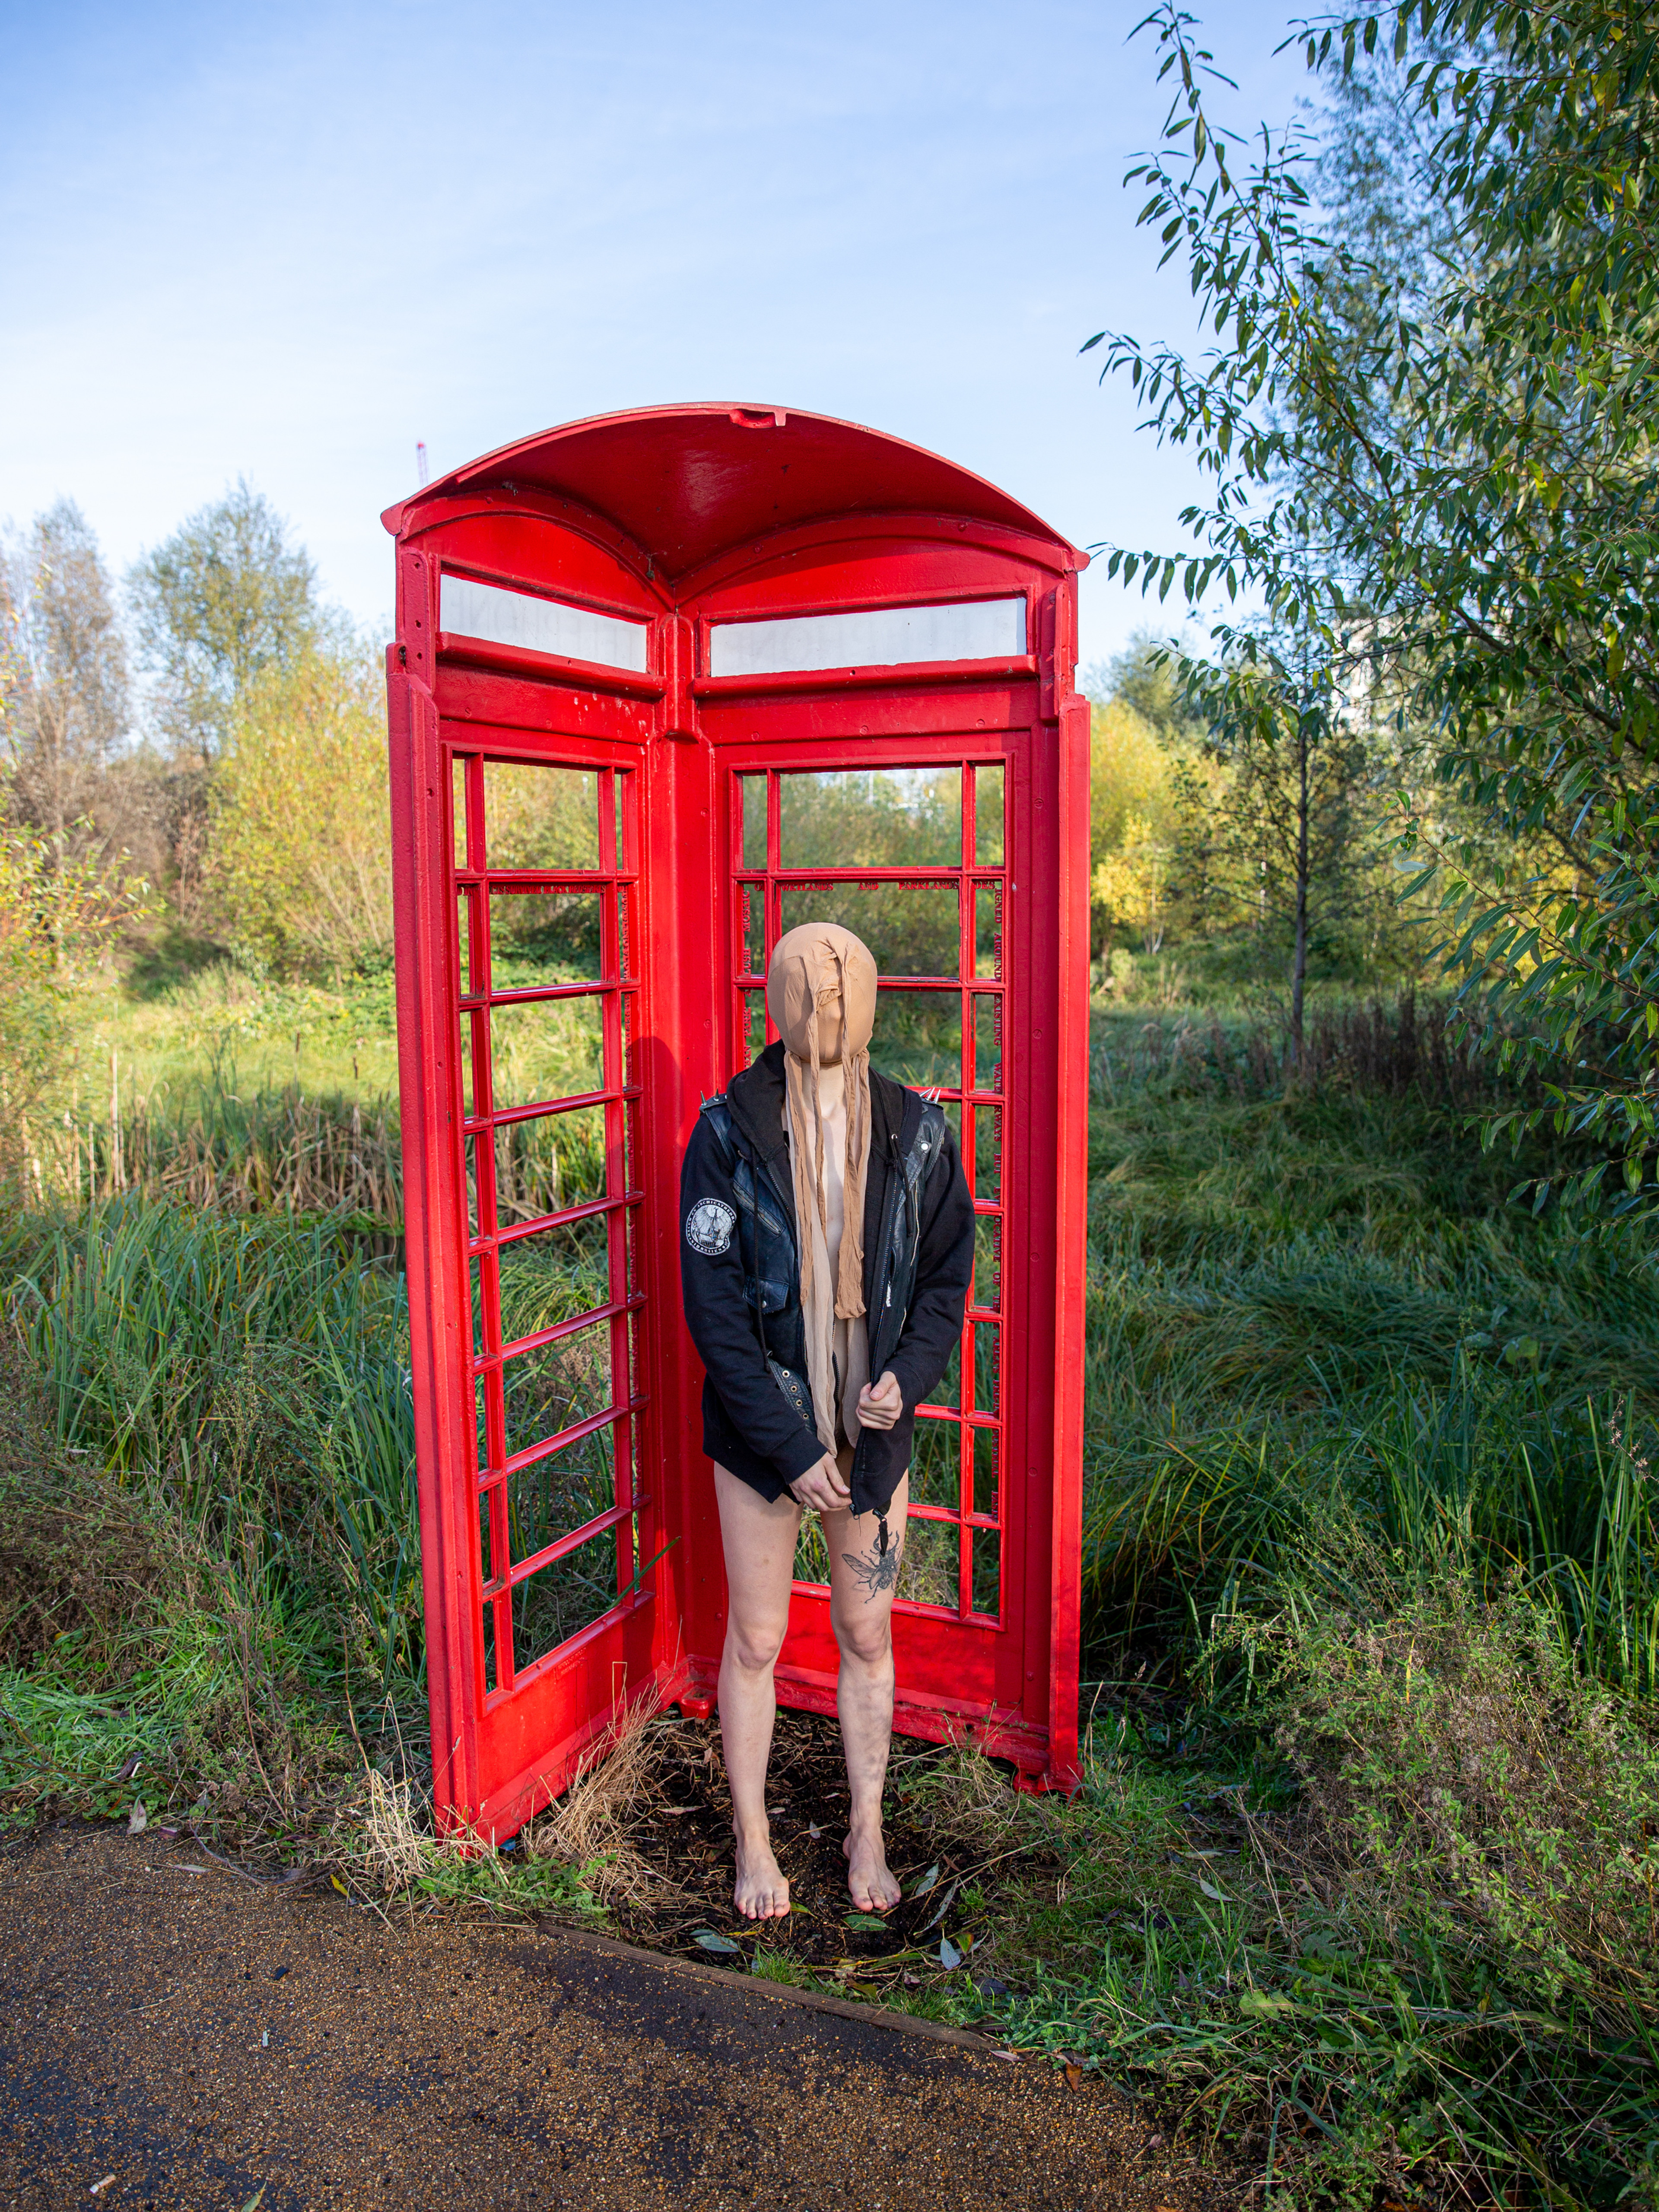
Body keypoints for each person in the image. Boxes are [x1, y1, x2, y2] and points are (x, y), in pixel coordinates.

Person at [679, 922, 974, 1921]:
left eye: (845, 998)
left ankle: (869, 1825)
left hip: (873, 1428)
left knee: (865, 1628)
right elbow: (714, 1311)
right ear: (780, 1002)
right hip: (767, 1430)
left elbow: (944, 1278)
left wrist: (907, 1374)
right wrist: (794, 1444)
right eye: (812, 996)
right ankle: (755, 1840)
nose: (829, 1012)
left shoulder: (919, 1132)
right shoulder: (726, 1133)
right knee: (758, 1636)